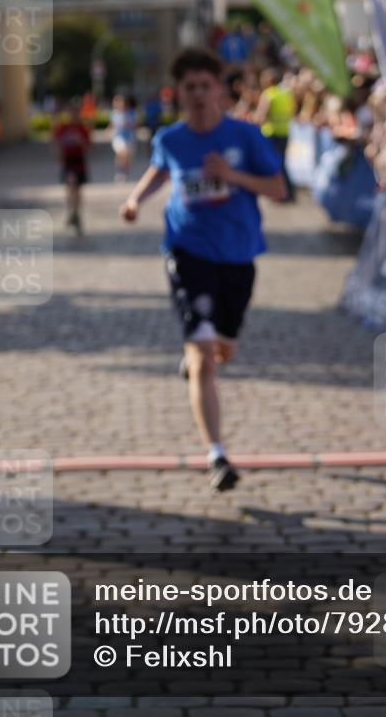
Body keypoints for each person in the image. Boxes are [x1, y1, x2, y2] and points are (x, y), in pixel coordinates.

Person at [120, 48, 285, 492]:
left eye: (204, 86)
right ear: (179, 93)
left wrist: (232, 176)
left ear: (219, 89)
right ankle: (217, 455)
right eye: (189, 87)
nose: (197, 94)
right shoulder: (172, 139)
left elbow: (278, 188)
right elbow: (159, 171)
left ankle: (206, 350)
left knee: (223, 349)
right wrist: (136, 200)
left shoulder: (245, 136)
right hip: (188, 253)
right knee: (203, 358)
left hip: (238, 256)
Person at [254, 67, 296, 202]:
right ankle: (287, 192)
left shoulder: (268, 94)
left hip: (271, 133)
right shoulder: (286, 94)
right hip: (284, 132)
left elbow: (260, 116)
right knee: (282, 163)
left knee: (274, 164)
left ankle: (282, 192)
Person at [54, 98, 91, 233]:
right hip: (68, 162)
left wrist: (81, 142)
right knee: (71, 187)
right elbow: (55, 143)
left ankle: (76, 213)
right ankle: (71, 212)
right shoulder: (63, 129)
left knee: (78, 190)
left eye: (76, 113)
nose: (73, 116)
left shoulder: (82, 128)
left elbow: (89, 147)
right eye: (71, 113)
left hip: (79, 162)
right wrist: (59, 154)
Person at [109, 93, 137, 181]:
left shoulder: (132, 113)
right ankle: (119, 171)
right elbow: (112, 125)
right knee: (121, 153)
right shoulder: (114, 114)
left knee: (127, 156)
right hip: (118, 137)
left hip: (129, 137)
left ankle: (125, 171)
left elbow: (135, 124)